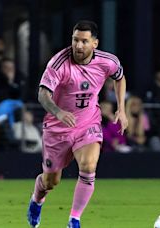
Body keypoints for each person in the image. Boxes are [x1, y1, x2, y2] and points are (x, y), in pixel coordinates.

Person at [26, 20, 128, 228]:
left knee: (89, 166)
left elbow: (120, 77)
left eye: (84, 41)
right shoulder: (58, 63)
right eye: (75, 40)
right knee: (50, 182)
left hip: (88, 122)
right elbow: (43, 95)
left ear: (95, 43)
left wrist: (122, 109)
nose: (78, 46)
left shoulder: (107, 62)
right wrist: (58, 111)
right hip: (57, 128)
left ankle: (74, 219)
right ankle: (37, 198)